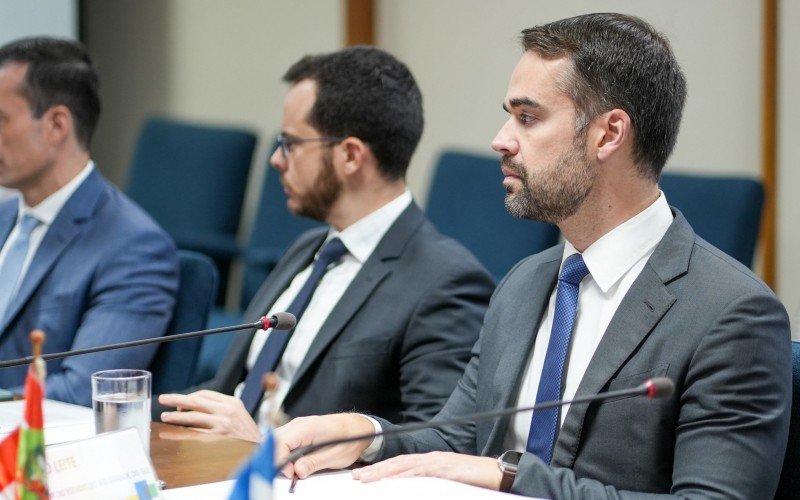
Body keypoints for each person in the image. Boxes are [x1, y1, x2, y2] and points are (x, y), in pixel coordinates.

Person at [275, 13, 792, 498]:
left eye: (528, 118)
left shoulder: (731, 314)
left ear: (608, 133)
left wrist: (511, 475)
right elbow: (456, 444)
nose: (501, 141)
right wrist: (366, 435)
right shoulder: (526, 283)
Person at [157, 46, 494, 442]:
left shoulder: (445, 280)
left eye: (291, 144)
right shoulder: (310, 248)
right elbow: (232, 388)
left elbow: (439, 444)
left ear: (350, 155)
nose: (276, 161)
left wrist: (258, 446)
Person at [0, 37, 179, 406]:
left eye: (1, 119)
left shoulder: (134, 246)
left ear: (56, 125)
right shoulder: (5, 218)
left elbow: (83, 392)